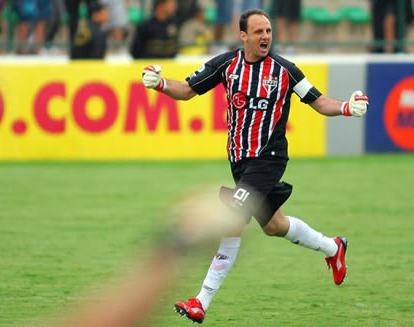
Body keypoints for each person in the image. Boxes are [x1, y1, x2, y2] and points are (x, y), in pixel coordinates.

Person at [141, 9, 369, 324]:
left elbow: (318, 101)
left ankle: (201, 301)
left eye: (269, 31)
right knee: (274, 225)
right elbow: (187, 91)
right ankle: (333, 247)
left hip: (269, 157)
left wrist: (346, 107)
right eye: (259, 32)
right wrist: (160, 83)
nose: (265, 37)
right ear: (243, 35)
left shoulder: (285, 71)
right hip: (239, 161)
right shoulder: (226, 65)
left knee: (232, 218)